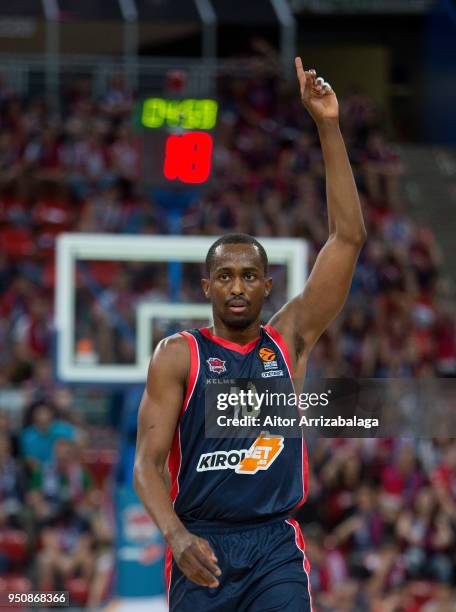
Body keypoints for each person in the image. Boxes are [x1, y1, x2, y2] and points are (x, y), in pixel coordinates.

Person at [134, 58, 366, 612]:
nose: (236, 287)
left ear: (267, 285)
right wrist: (176, 537)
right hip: (201, 542)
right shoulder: (178, 356)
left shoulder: (290, 340)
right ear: (207, 286)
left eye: (247, 277)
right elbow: (145, 463)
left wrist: (328, 126)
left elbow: (348, 238)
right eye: (224, 276)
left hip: (273, 548)